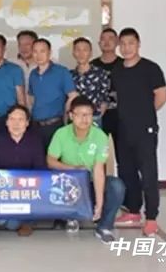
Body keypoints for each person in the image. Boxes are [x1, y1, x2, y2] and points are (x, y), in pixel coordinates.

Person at [111, 28, 166, 236]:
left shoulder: (150, 68)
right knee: (127, 170)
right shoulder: (117, 70)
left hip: (145, 129)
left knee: (148, 173)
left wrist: (145, 115)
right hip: (124, 128)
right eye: (123, 44)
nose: (126, 48)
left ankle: (151, 217)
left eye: (131, 43)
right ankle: (133, 211)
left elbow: (161, 96)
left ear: (138, 44)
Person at [47, 96, 126, 244]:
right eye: (80, 115)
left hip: (90, 183)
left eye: (88, 115)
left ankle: (104, 226)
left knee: (116, 186)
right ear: (71, 116)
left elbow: (98, 170)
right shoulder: (61, 133)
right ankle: (71, 217)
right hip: (69, 183)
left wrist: (99, 205)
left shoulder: (100, 136)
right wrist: (74, 169)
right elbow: (50, 161)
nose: (85, 119)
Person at [0, 105, 47, 237]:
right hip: (5, 187)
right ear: (6, 122)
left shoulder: (35, 141)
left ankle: (27, 222)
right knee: (10, 223)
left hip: (28, 188)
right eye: (12, 119)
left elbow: (40, 169)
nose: (16, 124)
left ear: (27, 123)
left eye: (20, 119)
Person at [28, 38, 77, 149]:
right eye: (35, 51)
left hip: (54, 125)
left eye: (42, 51)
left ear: (49, 53)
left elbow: (73, 96)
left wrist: (66, 118)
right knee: (37, 156)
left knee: (54, 156)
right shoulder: (33, 74)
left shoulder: (61, 71)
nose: (38, 55)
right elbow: (31, 98)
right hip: (35, 125)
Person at [90, 28, 124, 139]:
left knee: (122, 148)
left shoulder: (124, 65)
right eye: (103, 39)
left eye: (110, 38)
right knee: (96, 148)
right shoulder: (92, 66)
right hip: (98, 115)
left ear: (117, 42)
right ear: (99, 43)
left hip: (120, 116)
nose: (107, 42)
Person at [70, 37, 110, 127]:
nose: (81, 54)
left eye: (85, 50)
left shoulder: (100, 73)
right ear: (73, 53)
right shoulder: (70, 75)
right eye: (78, 50)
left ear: (90, 53)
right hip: (75, 120)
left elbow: (105, 98)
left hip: (94, 119)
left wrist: (97, 116)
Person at [11, 30, 38, 105]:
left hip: (40, 110)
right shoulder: (10, 64)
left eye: (27, 44)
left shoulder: (46, 64)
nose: (23, 48)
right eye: (20, 45)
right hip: (17, 110)